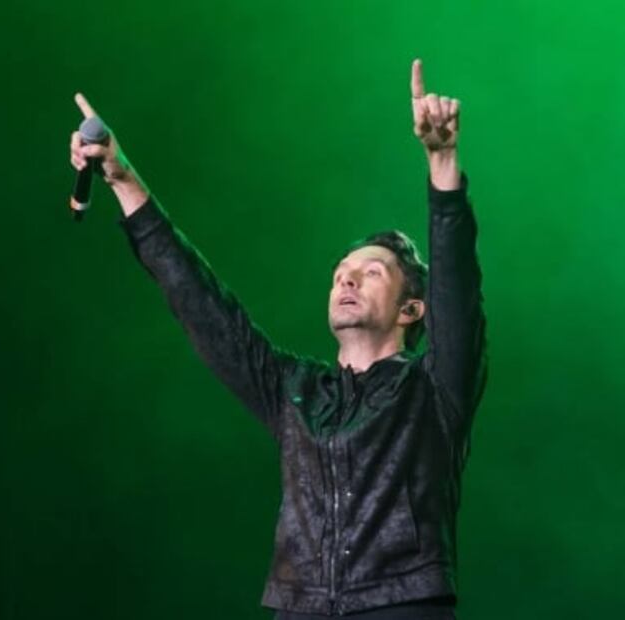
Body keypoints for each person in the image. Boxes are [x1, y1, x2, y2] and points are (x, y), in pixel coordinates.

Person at [68, 58, 487, 619]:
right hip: (300, 607)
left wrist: (443, 166)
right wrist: (123, 179)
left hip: (401, 604)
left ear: (412, 309)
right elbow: (203, 306)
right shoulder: (296, 391)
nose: (347, 280)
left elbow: (458, 294)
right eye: (340, 273)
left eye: (371, 272)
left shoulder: (432, 390)